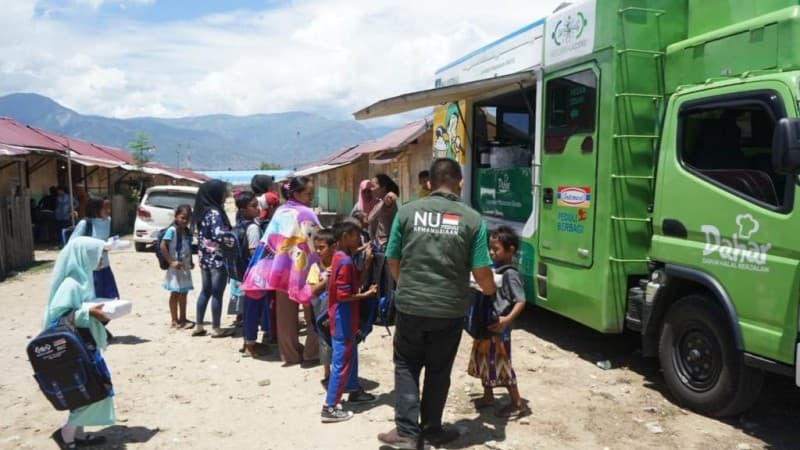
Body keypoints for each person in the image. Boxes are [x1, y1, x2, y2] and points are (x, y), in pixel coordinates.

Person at [378, 158, 496, 449]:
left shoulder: (406, 213)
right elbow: (481, 271)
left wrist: (405, 285)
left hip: (410, 305)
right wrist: (491, 292)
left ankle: (406, 432)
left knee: (406, 364)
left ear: (429, 183)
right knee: (438, 369)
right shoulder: (472, 219)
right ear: (460, 183)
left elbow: (393, 259)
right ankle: (431, 429)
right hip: (450, 309)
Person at [241, 176, 321, 365]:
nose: (311, 198)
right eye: (308, 194)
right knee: (312, 312)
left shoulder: (279, 212)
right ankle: (312, 352)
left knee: (285, 316)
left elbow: (269, 241)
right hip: (306, 270)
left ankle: (289, 354)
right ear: (296, 193)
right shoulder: (306, 214)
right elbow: (317, 242)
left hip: (281, 271)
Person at [45, 237, 114, 449]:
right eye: (100, 253)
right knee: (90, 388)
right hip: (74, 348)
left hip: (85, 344)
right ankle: (66, 436)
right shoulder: (70, 284)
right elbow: (58, 316)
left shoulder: (84, 280)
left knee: (89, 387)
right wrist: (90, 312)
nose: (103, 258)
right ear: (86, 254)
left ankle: (80, 435)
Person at [468, 226, 531, 418]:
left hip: (499, 328)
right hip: (485, 324)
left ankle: (517, 403)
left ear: (510, 249)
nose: (492, 253)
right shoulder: (492, 269)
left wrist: (507, 319)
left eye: (496, 249)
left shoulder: (510, 274)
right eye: (491, 248)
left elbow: (520, 300)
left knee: (502, 365)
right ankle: (488, 396)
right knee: (484, 362)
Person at [321, 221, 379, 423]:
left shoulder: (341, 256)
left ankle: (353, 390)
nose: (358, 240)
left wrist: (368, 261)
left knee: (350, 355)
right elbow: (345, 295)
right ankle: (329, 407)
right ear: (345, 236)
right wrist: (367, 294)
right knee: (341, 362)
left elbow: (354, 284)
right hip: (342, 318)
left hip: (345, 317)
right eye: (355, 236)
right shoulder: (344, 262)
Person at [192, 179, 233, 338]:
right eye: (223, 193)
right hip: (217, 258)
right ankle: (216, 327)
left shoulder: (203, 212)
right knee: (217, 293)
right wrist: (232, 236)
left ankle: (199, 324)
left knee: (205, 291)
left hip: (204, 258)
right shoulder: (215, 213)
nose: (225, 196)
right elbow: (218, 235)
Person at [233, 191, 267, 357]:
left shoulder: (240, 225)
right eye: (253, 206)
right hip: (253, 275)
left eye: (257, 204)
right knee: (253, 311)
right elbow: (254, 252)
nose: (257, 208)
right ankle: (250, 346)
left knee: (247, 310)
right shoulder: (253, 227)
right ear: (244, 209)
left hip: (242, 274)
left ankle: (248, 342)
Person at [69, 197, 119, 300]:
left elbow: (104, 240)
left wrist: (110, 243)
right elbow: (73, 244)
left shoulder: (107, 221)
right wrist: (97, 247)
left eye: (109, 208)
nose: (108, 211)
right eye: (104, 208)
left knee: (112, 299)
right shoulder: (86, 224)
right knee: (95, 301)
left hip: (105, 267)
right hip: (90, 270)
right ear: (95, 209)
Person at [307, 229, 336, 385]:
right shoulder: (315, 268)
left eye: (322, 247)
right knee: (324, 340)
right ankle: (327, 373)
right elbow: (312, 289)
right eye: (316, 247)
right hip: (321, 311)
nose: (318, 251)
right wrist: (326, 279)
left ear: (333, 247)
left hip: (337, 309)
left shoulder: (340, 263)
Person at [161, 205, 194, 329]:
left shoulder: (186, 231)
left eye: (187, 219)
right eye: (182, 218)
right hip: (175, 267)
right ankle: (174, 320)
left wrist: (190, 262)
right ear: (176, 216)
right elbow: (163, 245)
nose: (185, 221)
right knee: (175, 293)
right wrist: (170, 261)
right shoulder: (172, 230)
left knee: (184, 293)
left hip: (184, 267)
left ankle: (183, 318)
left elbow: (187, 247)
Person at [368, 174, 400, 251]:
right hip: (377, 246)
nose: (371, 189)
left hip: (385, 247)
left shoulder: (388, 201)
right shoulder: (379, 203)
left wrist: (390, 194)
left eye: (373, 186)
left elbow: (391, 196)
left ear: (383, 188)